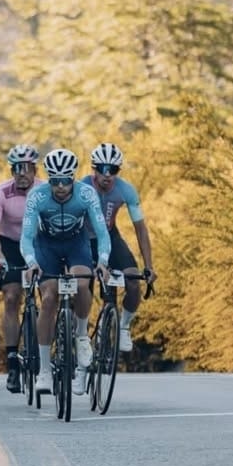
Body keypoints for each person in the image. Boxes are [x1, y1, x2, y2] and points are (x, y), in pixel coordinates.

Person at [19, 147, 110, 396]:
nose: (60, 186)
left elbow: (102, 234)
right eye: (55, 181)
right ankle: (44, 370)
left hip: (75, 243)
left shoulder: (86, 194)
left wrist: (102, 261)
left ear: (73, 177)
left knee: (82, 283)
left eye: (66, 181)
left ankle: (81, 336)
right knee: (49, 298)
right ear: (49, 178)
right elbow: (26, 237)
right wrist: (31, 262)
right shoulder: (37, 196)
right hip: (46, 245)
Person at [82, 143, 156, 352]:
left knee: (133, 279)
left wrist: (149, 266)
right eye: (102, 169)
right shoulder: (83, 187)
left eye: (113, 170)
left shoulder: (126, 190)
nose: (107, 175)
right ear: (94, 169)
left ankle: (123, 326)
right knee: (83, 285)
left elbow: (140, 229)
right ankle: (79, 334)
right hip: (84, 239)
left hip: (110, 237)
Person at [0, 144, 39, 392]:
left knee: (52, 292)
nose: (22, 173)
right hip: (9, 245)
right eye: (17, 169)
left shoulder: (43, 190)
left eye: (27, 168)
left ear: (35, 170)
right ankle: (12, 361)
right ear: (11, 171)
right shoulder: (0, 193)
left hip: (38, 244)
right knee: (11, 297)